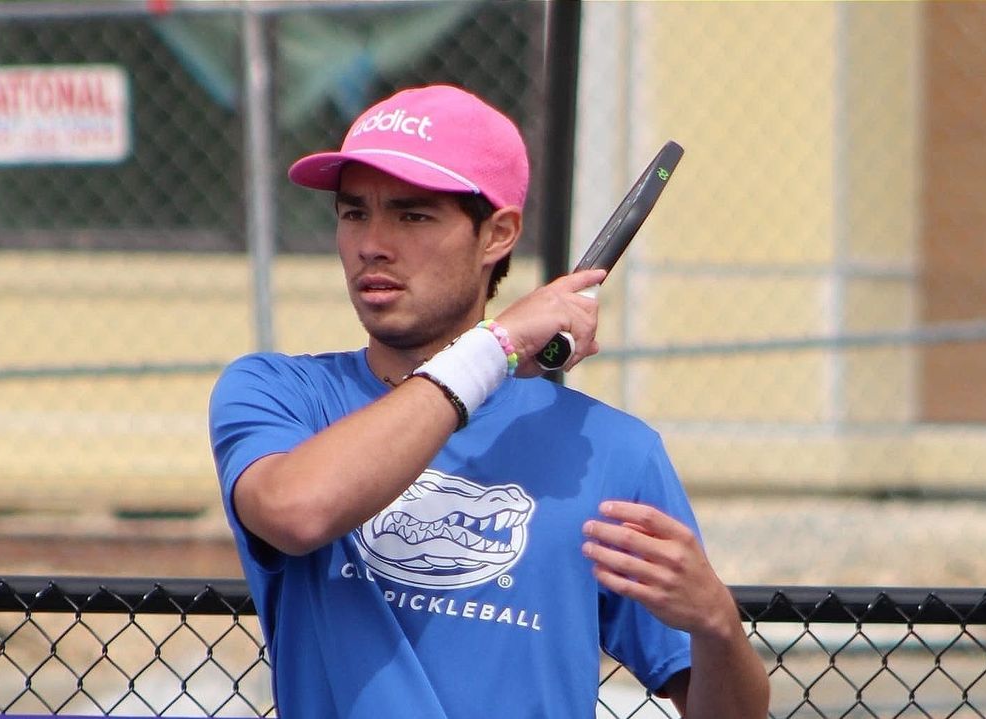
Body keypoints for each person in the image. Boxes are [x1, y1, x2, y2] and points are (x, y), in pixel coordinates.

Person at [209, 84, 769, 718]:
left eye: (412, 216)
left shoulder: (609, 450)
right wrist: (495, 346)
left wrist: (718, 624)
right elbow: (297, 511)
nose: (372, 243)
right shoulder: (278, 393)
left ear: (497, 235)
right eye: (353, 213)